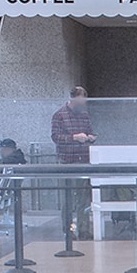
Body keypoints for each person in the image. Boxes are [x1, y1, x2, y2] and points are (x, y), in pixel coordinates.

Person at [50, 86, 95, 239]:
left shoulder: (84, 115)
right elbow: (56, 137)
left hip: (83, 160)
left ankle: (84, 230)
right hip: (67, 162)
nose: (83, 104)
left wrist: (90, 137)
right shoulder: (59, 115)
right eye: (81, 100)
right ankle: (68, 230)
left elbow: (91, 131)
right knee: (67, 199)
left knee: (84, 198)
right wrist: (74, 137)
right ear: (73, 98)